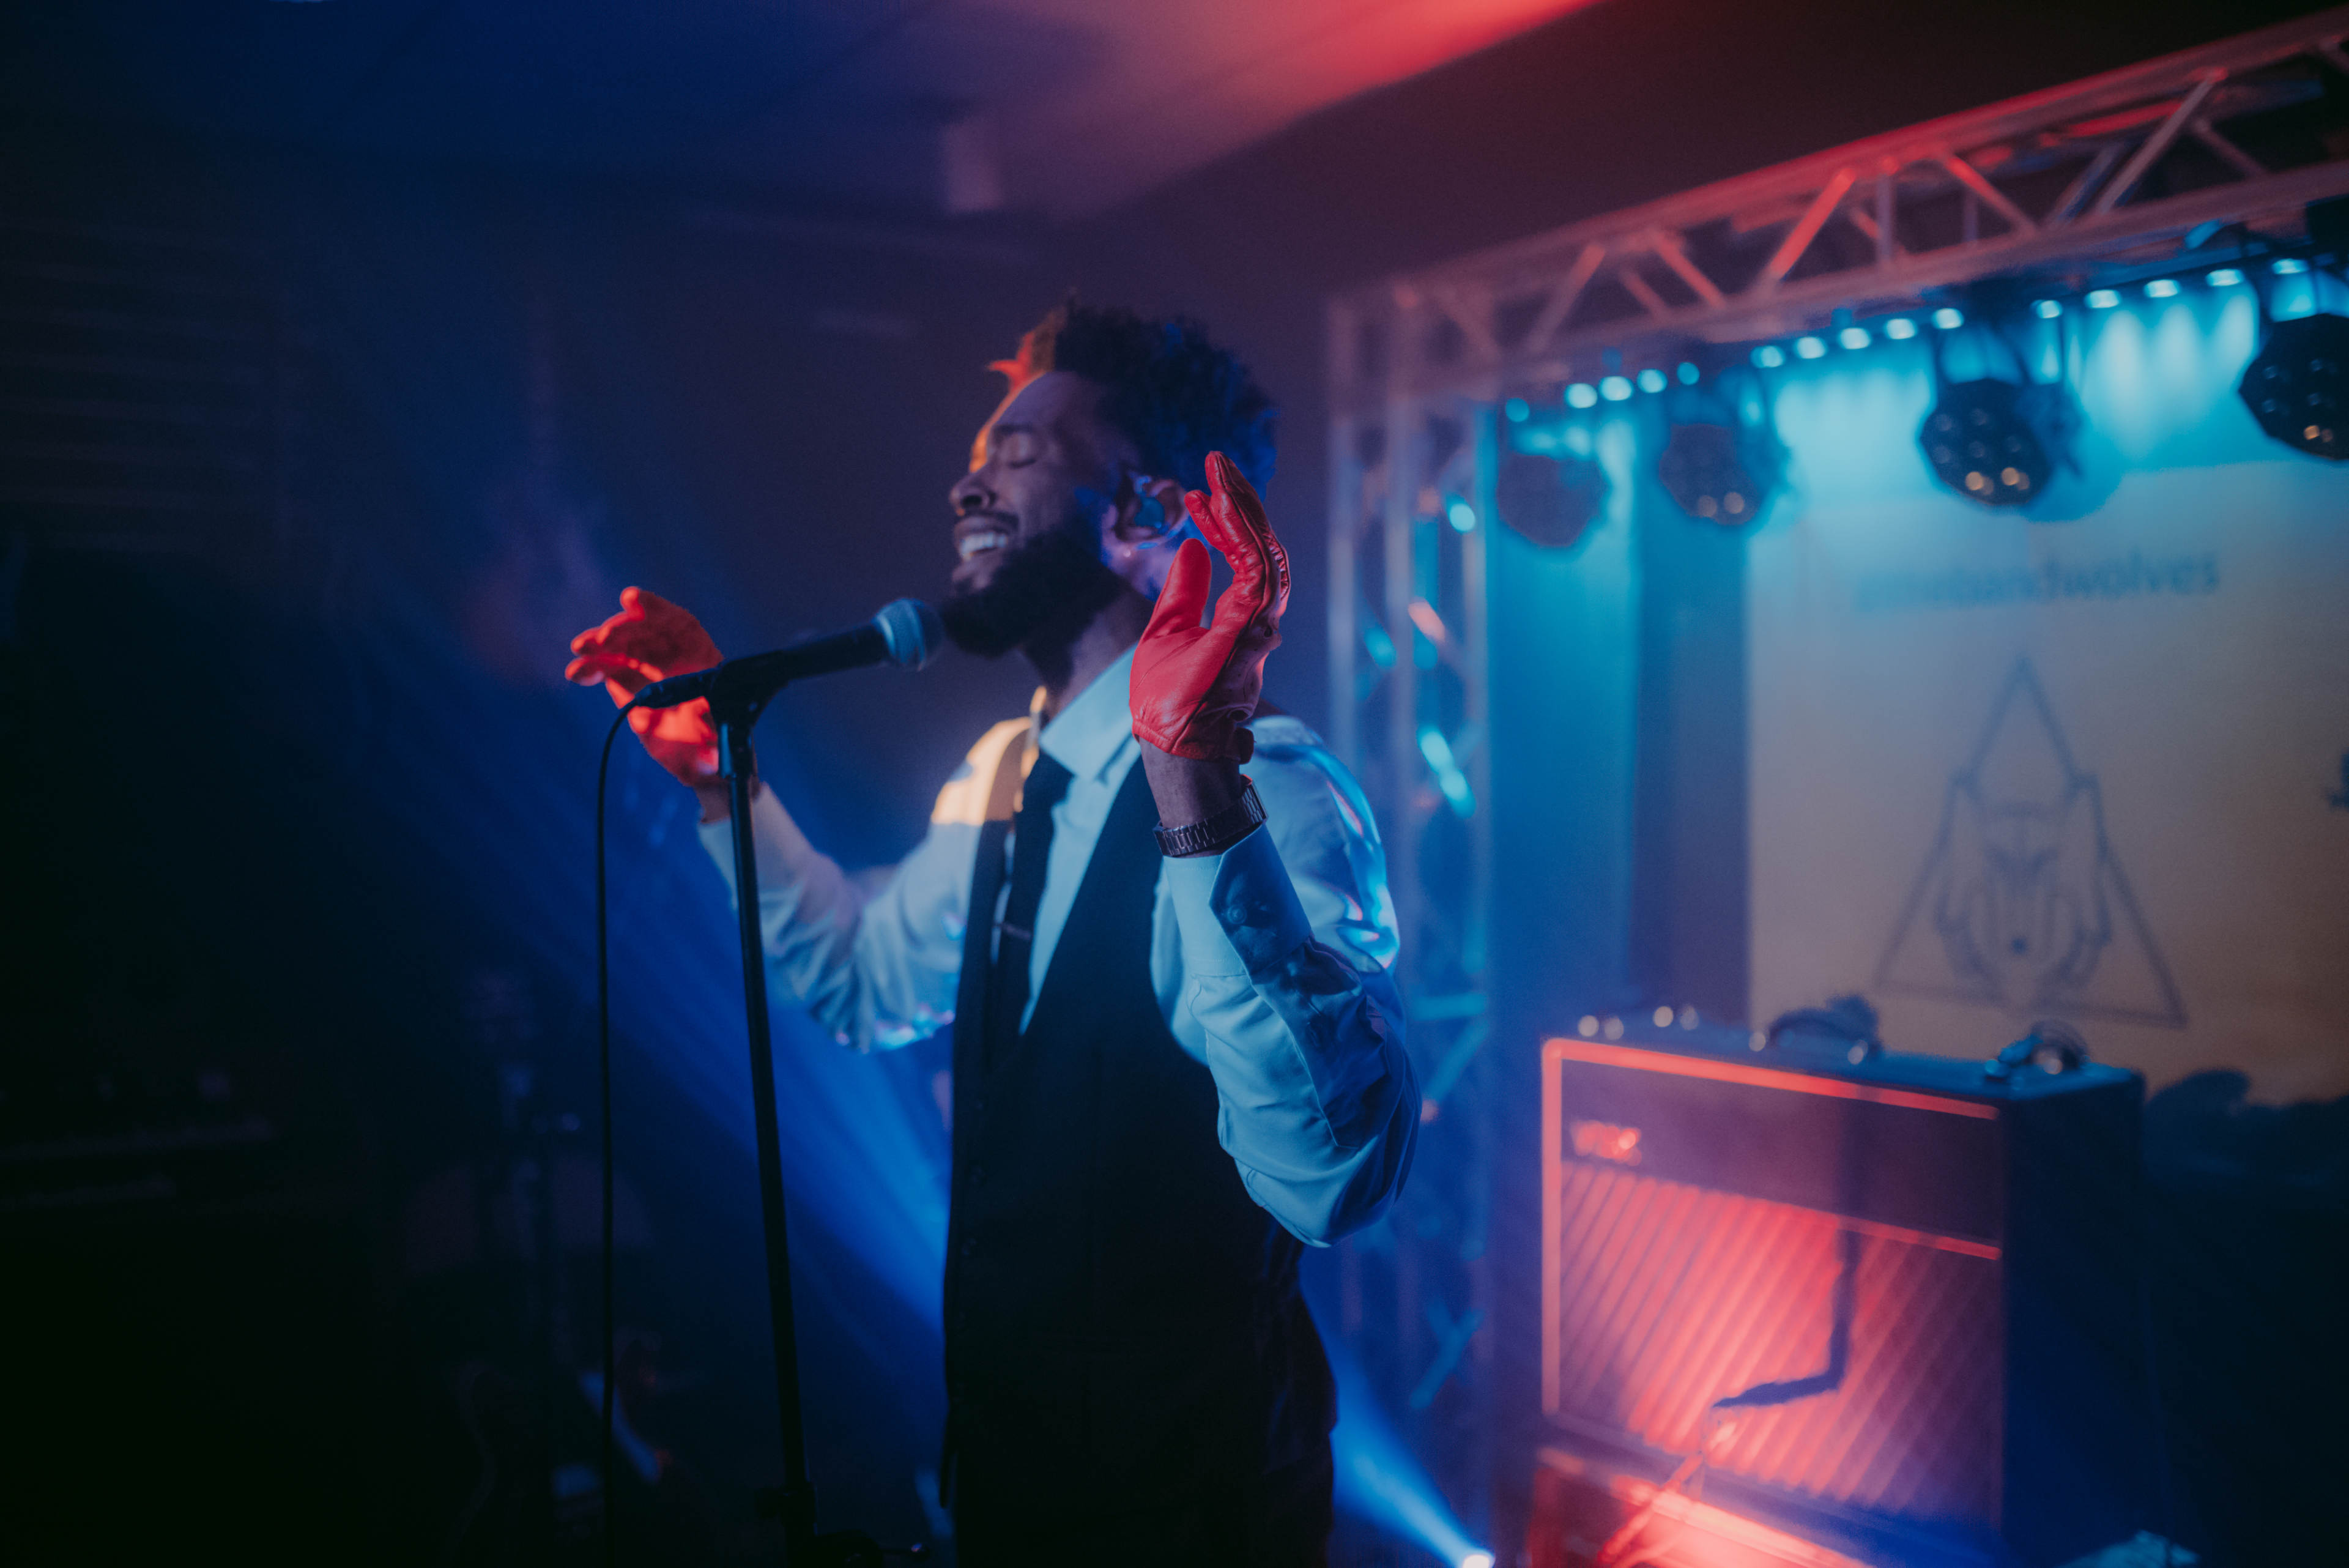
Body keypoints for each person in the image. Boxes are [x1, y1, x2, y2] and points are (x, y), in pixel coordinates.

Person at [566, 302, 1416, 1567]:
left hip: (1192, 1513)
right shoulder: (1004, 775)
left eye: (1021, 454)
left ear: (1146, 512)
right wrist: (718, 785)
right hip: (1012, 1489)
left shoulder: (1271, 784)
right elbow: (864, 984)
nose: (971, 478)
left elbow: (1331, 1174)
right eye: (978, 451)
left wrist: (1191, 776)